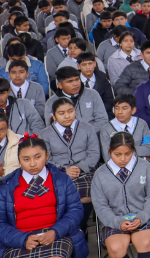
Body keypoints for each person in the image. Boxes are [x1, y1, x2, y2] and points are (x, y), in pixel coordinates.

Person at [0, 135, 90, 258]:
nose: (32, 164)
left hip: (57, 236)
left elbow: (75, 210)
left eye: (38, 157)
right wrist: (23, 239)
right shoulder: (5, 186)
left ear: (47, 156)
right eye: (26, 159)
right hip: (18, 240)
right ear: (19, 160)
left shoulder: (62, 180)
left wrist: (55, 231)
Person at [90, 132, 150, 258]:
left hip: (144, 216)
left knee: (145, 242)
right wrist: (117, 222)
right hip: (114, 220)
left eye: (128, 154)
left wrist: (142, 217)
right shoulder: (100, 175)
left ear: (133, 150)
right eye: (117, 154)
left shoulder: (145, 167)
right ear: (109, 151)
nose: (123, 159)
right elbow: (101, 206)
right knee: (115, 248)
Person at [39, 97, 99, 233]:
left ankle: (80, 228)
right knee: (59, 196)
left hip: (84, 171)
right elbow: (45, 159)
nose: (67, 116)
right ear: (54, 116)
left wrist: (79, 168)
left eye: (70, 111)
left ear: (75, 111)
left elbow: (94, 153)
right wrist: (64, 170)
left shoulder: (87, 128)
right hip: (57, 173)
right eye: (61, 113)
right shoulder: (45, 134)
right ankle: (67, 229)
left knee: (86, 194)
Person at [99, 95, 150, 162]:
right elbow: (107, 156)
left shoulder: (142, 124)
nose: (119, 112)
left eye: (124, 108)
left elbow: (149, 149)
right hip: (117, 167)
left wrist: (119, 152)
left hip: (140, 164)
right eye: (116, 108)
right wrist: (136, 154)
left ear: (133, 110)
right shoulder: (106, 129)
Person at [0, 112, 20, 180]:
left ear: (7, 127)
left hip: (15, 183)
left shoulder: (20, 142)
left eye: (2, 130)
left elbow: (26, 168)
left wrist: (4, 171)